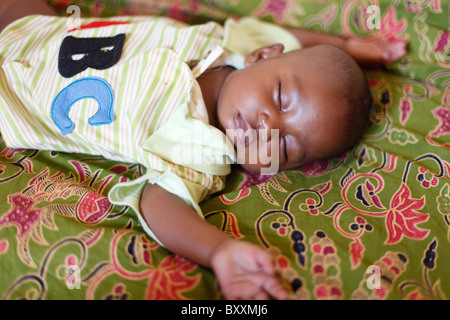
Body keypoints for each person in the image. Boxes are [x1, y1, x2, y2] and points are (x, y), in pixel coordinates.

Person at [0, 0, 406, 299]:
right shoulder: (232, 41)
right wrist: (347, 45)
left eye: (283, 146)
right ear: (262, 56)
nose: (269, 125)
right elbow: (290, 39)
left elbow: (160, 205)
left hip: (13, 95)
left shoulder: (200, 152)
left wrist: (219, 250)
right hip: (38, 26)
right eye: (281, 98)